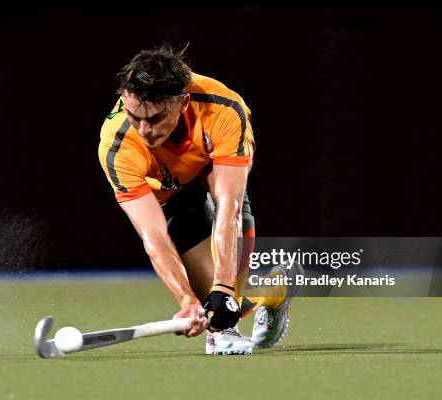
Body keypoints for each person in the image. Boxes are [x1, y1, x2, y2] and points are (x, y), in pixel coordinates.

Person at [98, 45, 299, 355]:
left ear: (183, 103)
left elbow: (228, 209)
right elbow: (153, 235)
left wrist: (223, 286)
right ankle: (274, 291)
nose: (145, 130)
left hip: (214, 172)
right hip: (172, 193)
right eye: (135, 118)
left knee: (225, 295)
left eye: (155, 118)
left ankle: (241, 300)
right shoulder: (117, 146)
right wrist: (186, 300)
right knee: (222, 308)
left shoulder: (224, 110)